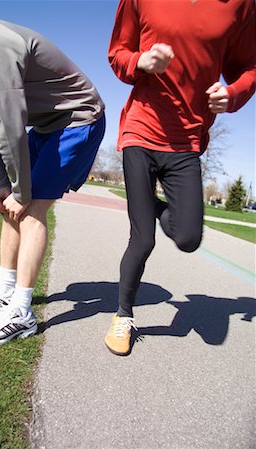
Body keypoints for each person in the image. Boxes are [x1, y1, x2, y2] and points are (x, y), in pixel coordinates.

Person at [104, 0, 256, 356]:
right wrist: (139, 61)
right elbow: (118, 53)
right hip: (141, 130)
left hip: (186, 140)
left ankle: (149, 206)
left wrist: (233, 95)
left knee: (188, 237)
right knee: (142, 241)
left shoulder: (242, 5)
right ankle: (123, 316)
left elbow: (249, 67)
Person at [0, 12, 105, 346]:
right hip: (45, 125)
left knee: (32, 205)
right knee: (10, 203)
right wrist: (1, 184)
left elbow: (7, 126)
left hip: (78, 118)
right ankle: (4, 288)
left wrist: (21, 192)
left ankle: (22, 313)